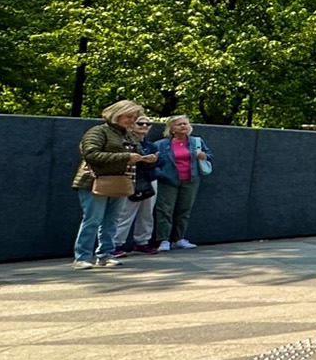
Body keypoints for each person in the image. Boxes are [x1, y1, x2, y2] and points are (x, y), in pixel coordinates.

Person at [71, 100, 157, 269]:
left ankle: (106, 254)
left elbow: (137, 153)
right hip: (94, 181)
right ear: (116, 114)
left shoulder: (129, 134)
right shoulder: (98, 131)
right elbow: (91, 154)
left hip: (120, 181)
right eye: (129, 116)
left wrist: (147, 159)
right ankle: (82, 256)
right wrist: (125, 157)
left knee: (112, 220)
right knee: (93, 219)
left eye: (135, 117)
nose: (132, 120)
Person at [150, 115, 211, 250]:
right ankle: (163, 240)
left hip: (190, 180)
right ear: (172, 128)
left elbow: (209, 155)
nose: (183, 126)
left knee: (184, 210)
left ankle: (179, 239)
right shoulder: (161, 144)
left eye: (185, 124)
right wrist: (162, 175)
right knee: (165, 210)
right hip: (168, 181)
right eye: (179, 124)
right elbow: (154, 163)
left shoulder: (196, 142)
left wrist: (203, 156)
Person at [112, 115, 159, 255]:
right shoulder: (124, 143)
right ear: (132, 125)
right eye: (140, 123)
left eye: (148, 124)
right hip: (130, 179)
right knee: (125, 212)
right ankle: (115, 244)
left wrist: (153, 160)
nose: (144, 126)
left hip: (149, 180)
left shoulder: (151, 145)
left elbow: (160, 162)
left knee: (147, 213)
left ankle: (142, 242)